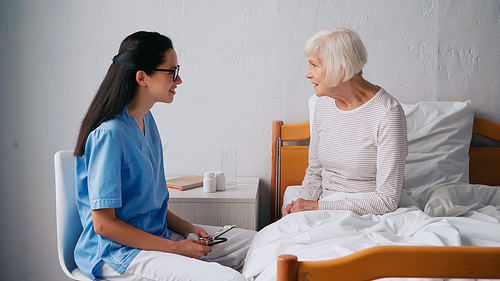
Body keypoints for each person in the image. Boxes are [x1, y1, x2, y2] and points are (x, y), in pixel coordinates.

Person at [73, 31, 255, 281]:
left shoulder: (146, 120)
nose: (178, 80)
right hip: (118, 252)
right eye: (172, 71)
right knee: (229, 278)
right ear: (142, 77)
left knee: (260, 243)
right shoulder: (109, 135)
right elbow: (104, 225)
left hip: (156, 237)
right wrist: (177, 248)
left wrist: (187, 229)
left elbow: (148, 205)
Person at [282, 28, 408, 217]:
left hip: (369, 215)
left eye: (314, 65)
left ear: (340, 68)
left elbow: (386, 200)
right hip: (323, 207)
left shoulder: (388, 113)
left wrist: (317, 208)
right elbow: (315, 172)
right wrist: (301, 206)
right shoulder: (322, 104)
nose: (308, 74)